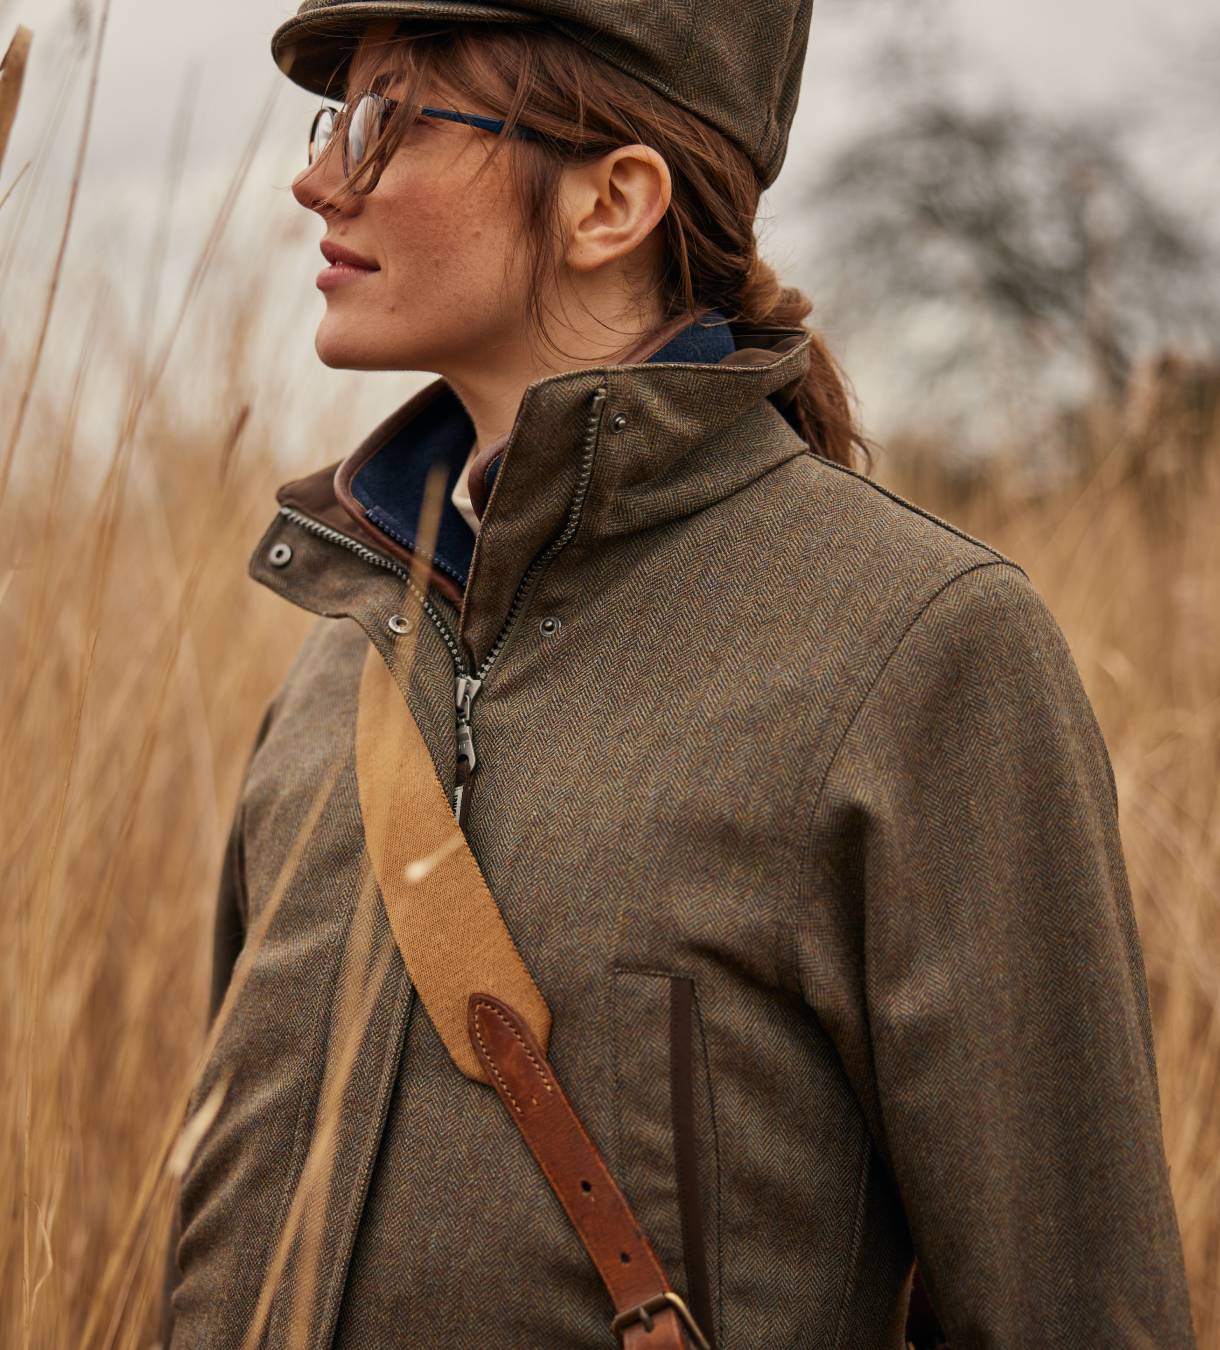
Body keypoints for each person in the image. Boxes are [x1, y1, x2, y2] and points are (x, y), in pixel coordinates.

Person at [162, 3, 1197, 1347]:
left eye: (388, 122)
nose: (319, 176)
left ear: (612, 201)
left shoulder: (923, 650)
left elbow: (1077, 1310)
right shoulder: (337, 655)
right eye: (334, 120)